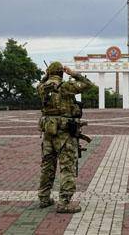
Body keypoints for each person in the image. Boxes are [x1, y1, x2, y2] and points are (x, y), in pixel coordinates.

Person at [37, 61, 93, 213]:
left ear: (49, 72)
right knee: (67, 167)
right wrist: (73, 73)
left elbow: (40, 84)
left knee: (47, 166)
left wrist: (45, 76)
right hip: (64, 134)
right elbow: (88, 84)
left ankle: (44, 198)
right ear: (61, 72)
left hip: (48, 133)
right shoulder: (66, 87)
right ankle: (64, 202)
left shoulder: (42, 88)